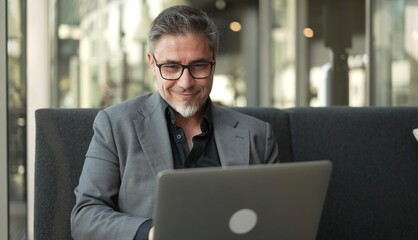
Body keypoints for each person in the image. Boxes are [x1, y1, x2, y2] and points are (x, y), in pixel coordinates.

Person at [70, 5, 279, 240]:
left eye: (198, 65)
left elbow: (274, 221)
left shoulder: (258, 135)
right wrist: (150, 233)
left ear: (213, 62)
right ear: (152, 63)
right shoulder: (115, 125)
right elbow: (85, 216)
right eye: (171, 67)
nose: (186, 82)